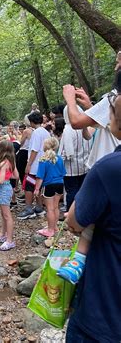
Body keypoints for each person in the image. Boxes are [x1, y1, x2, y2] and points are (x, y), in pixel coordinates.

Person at [63, 88, 121, 342]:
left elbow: (74, 222)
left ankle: (77, 261)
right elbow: (87, 132)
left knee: (86, 227)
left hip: (102, 316)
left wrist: (69, 100)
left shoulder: (109, 169)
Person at [63, 50, 121, 169]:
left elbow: (76, 122)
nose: (116, 68)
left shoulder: (115, 97)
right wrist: (90, 107)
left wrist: (70, 100)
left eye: (118, 63)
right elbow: (91, 133)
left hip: (108, 166)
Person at [58, 106, 91, 212]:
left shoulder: (68, 129)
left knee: (71, 191)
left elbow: (67, 152)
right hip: (84, 165)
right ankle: (81, 211)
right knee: (81, 191)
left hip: (70, 169)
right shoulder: (83, 127)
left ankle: (71, 213)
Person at [17, 112, 51, 220]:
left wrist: (29, 164)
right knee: (39, 186)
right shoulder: (46, 132)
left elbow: (34, 150)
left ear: (31, 122)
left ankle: (28, 209)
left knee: (29, 186)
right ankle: (39, 207)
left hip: (35, 164)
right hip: (43, 163)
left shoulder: (36, 133)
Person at [33, 137, 66, 237]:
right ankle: (55, 226)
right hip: (60, 184)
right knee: (56, 207)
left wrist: (37, 189)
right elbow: (63, 173)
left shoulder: (43, 160)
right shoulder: (59, 158)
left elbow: (40, 176)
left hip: (49, 185)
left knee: (50, 209)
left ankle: (50, 230)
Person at [0, 140, 19, 251]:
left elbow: (1, 181)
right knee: (3, 213)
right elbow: (16, 176)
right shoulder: (11, 161)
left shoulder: (3, 163)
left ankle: (9, 241)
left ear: (0, 150)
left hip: (3, 189)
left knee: (7, 215)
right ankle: (3, 235)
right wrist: (7, 175)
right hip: (7, 188)